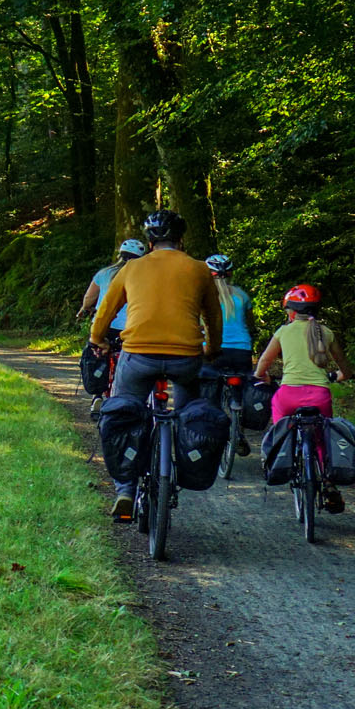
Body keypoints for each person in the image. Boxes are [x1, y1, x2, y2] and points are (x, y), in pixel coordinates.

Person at [90, 210, 223, 522]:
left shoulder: (132, 268)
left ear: (149, 240)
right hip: (186, 356)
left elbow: (107, 308)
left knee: (124, 411)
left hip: (138, 354)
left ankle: (124, 488)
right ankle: (182, 459)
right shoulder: (199, 269)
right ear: (181, 239)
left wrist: (98, 338)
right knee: (188, 414)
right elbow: (213, 317)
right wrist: (212, 350)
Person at [254, 283, 355, 511]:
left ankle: (283, 456)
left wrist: (262, 376)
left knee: (282, 425)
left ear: (291, 312)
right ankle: (329, 483)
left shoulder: (283, 332)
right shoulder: (326, 333)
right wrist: (338, 376)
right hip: (320, 396)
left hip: (288, 395)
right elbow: (344, 368)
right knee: (321, 439)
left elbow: (264, 362)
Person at [205, 253, 257, 455]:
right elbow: (250, 324)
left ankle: (211, 431)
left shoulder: (204, 298)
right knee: (240, 391)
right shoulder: (242, 296)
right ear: (231, 273)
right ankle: (239, 431)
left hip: (214, 350)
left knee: (210, 392)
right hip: (241, 350)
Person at [77, 238, 147, 336]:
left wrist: (85, 308)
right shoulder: (145, 278)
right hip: (132, 327)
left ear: (120, 254)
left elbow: (89, 297)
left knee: (92, 349)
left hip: (104, 324)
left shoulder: (104, 273)